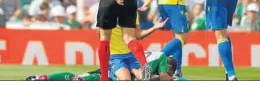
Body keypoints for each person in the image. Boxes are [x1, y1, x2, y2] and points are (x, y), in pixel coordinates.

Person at [25, 51, 176, 81]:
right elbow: (141, 75)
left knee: (80, 77)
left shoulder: (151, 55)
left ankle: (43, 78)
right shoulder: (159, 61)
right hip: (119, 71)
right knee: (97, 78)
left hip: (117, 64)